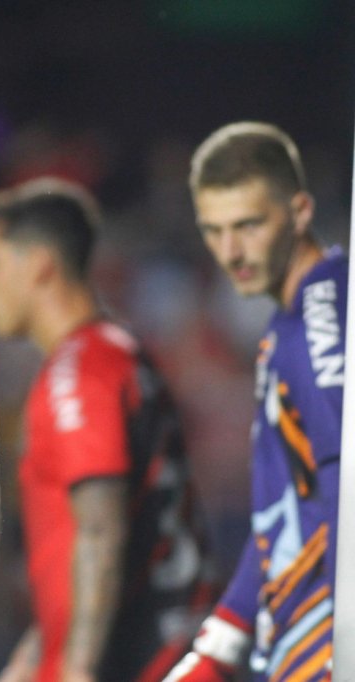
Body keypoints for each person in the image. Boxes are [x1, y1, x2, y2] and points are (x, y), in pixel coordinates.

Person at [0, 178, 215, 682]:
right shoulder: (118, 351)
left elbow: (101, 532)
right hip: (167, 645)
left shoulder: (77, 374)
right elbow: (85, 554)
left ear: (39, 265)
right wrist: (33, 657)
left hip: (138, 663)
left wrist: (78, 669)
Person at [165, 122, 344, 681]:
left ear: (300, 211)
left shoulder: (321, 325)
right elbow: (287, 504)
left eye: (248, 225)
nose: (231, 252)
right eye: (213, 230)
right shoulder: (292, 320)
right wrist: (223, 640)